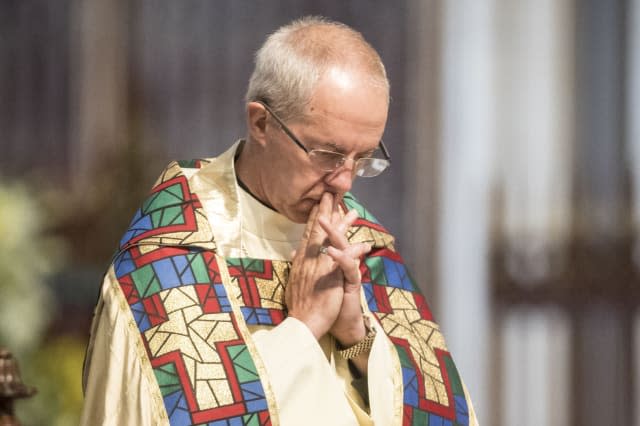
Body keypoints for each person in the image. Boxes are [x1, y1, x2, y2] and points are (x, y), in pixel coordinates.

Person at [80, 16, 479, 426]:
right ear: (261, 123)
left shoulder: (363, 244)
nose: (343, 182)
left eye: (363, 160)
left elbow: (436, 412)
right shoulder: (174, 251)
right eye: (327, 155)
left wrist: (355, 341)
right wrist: (303, 328)